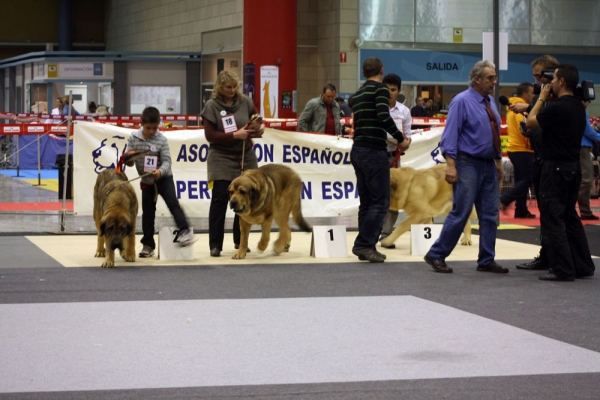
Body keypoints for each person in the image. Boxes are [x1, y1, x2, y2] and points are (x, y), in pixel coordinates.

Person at [424, 60, 507, 274]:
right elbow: (449, 136)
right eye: (490, 78)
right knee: (461, 212)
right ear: (477, 79)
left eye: (495, 77)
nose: (494, 82)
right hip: (467, 162)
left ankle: (487, 259)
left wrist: (498, 163)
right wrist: (451, 165)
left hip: (488, 164)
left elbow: (495, 134)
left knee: (490, 214)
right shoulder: (461, 101)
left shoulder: (489, 102)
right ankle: (436, 254)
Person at [526, 63, 595, 281]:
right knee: (569, 216)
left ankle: (563, 269)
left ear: (562, 81)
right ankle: (583, 265)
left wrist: (541, 99)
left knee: (553, 218)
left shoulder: (556, 107)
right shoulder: (578, 106)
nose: (550, 83)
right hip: (572, 167)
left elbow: (530, 121)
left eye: (553, 79)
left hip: (554, 168)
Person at [350, 57, 410, 263]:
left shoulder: (356, 94)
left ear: (363, 72)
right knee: (381, 201)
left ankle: (365, 244)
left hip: (357, 150)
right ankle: (365, 244)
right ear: (381, 71)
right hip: (374, 151)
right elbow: (384, 118)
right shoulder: (381, 90)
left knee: (366, 201)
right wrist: (401, 139)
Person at [201, 70, 265, 257]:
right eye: (229, 87)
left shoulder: (245, 102)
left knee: (247, 199)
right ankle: (216, 245)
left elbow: (256, 119)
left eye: (235, 86)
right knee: (220, 199)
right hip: (221, 157)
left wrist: (259, 128)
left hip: (246, 155)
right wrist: (235, 135)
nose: (232, 90)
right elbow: (210, 135)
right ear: (220, 87)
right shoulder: (211, 106)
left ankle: (240, 241)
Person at [511, 55, 559, 271]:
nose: (536, 82)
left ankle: (560, 261)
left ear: (550, 76)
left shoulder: (556, 102)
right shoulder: (547, 102)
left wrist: (532, 106)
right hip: (542, 160)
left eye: (539, 77)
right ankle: (548, 256)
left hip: (554, 165)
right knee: (546, 214)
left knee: (554, 215)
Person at [126, 106, 194, 258]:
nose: (151, 131)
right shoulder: (133, 138)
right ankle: (148, 245)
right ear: (141, 123)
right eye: (148, 128)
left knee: (173, 203)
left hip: (164, 178)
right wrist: (128, 161)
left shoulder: (161, 139)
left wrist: (160, 172)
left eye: (155, 128)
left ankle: (184, 231)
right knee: (148, 212)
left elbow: (167, 161)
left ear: (159, 125)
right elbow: (129, 160)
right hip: (146, 180)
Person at [379, 72, 412, 247]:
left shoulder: (405, 111)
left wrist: (405, 143)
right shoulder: (375, 107)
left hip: (394, 159)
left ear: (398, 91)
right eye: (387, 89)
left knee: (393, 198)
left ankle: (386, 234)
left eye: (393, 90)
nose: (390, 92)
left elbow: (409, 137)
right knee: (376, 195)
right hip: (376, 157)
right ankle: (372, 232)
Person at [499, 82, 536, 218]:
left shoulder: (512, 107)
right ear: (525, 94)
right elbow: (525, 128)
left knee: (522, 180)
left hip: (515, 149)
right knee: (527, 180)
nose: (534, 96)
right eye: (532, 93)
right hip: (522, 149)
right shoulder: (521, 109)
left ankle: (520, 209)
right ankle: (504, 199)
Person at [577, 99, 600, 220]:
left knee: (581, 179)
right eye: (587, 100)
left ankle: (583, 210)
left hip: (575, 147)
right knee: (586, 179)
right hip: (582, 148)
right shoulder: (580, 111)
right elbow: (588, 131)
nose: (588, 103)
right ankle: (585, 211)